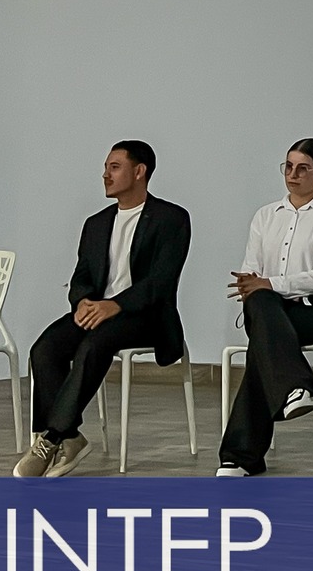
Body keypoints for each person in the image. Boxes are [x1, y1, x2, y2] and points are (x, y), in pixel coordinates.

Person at [16, 141, 191, 477]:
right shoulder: (96, 223)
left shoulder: (172, 218)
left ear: (139, 172)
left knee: (95, 344)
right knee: (45, 348)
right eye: (106, 167)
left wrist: (116, 305)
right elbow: (82, 275)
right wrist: (82, 301)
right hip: (99, 311)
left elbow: (160, 281)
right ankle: (71, 438)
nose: (105, 175)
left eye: (114, 167)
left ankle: (51, 438)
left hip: (147, 316)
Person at [217, 138, 313, 476]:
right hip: (272, 310)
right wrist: (257, 284)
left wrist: (271, 284)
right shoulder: (266, 216)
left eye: (303, 168)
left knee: (263, 339)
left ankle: (240, 456)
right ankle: (297, 387)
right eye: (288, 167)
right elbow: (252, 270)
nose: (293, 175)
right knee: (261, 305)